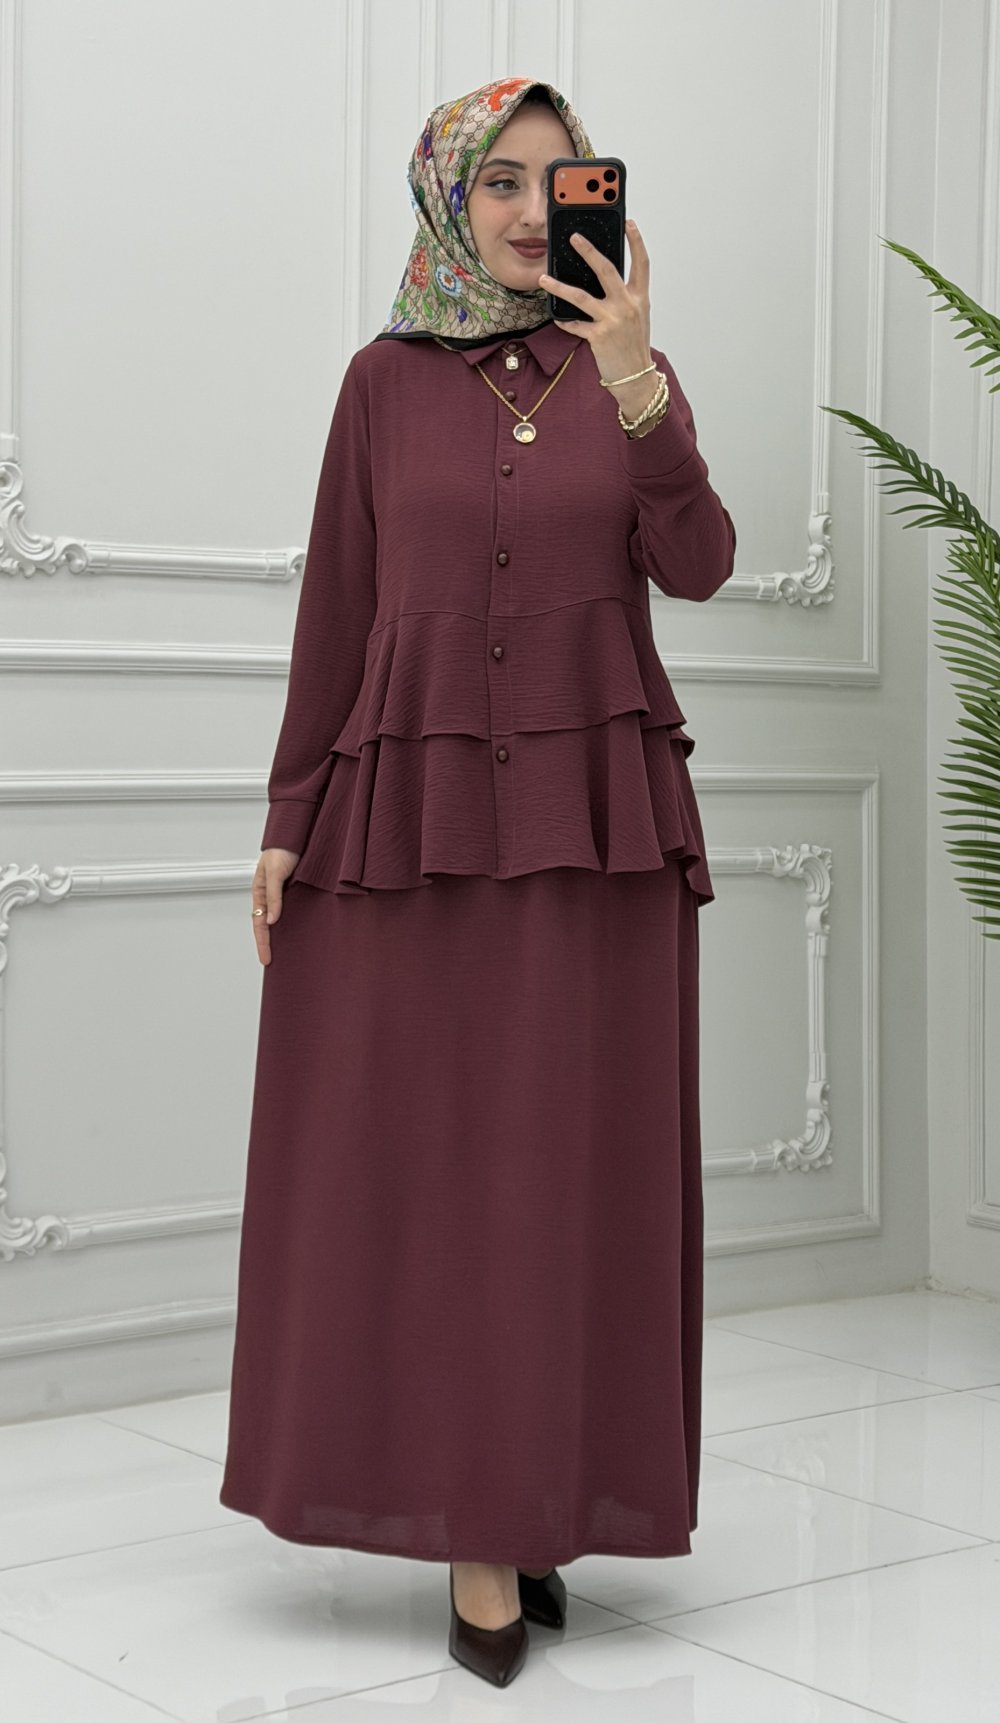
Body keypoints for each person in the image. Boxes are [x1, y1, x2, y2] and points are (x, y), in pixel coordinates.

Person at [219, 75, 736, 1690]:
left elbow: (702, 563)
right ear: (449, 199)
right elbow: (340, 607)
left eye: (556, 182)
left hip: (595, 831)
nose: (526, 211)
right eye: (498, 182)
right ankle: (480, 1533)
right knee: (438, 1180)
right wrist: (289, 814)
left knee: (565, 1179)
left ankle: (536, 1501)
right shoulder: (381, 384)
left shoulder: (628, 376)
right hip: (413, 824)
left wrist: (639, 383)